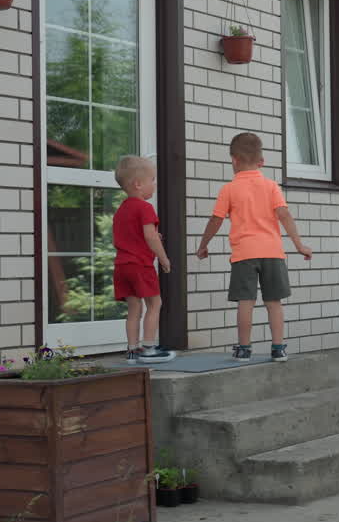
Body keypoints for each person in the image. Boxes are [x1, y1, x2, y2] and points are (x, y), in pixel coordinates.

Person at [196, 133, 313, 362]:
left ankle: (243, 349)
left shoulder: (228, 189)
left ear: (234, 160)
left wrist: (203, 245)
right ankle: (278, 348)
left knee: (245, 302)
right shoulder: (271, 186)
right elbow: (284, 214)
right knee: (274, 303)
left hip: (244, 255)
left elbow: (216, 220)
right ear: (262, 161)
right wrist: (299, 245)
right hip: (272, 253)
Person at [112, 155, 175, 364]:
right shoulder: (145, 208)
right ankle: (149, 348)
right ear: (139, 184)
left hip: (122, 266)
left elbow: (129, 235)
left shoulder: (121, 210)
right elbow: (149, 236)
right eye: (153, 180)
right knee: (155, 303)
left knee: (134, 308)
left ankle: (132, 350)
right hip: (140, 265)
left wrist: (151, 238)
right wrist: (163, 258)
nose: (154, 184)